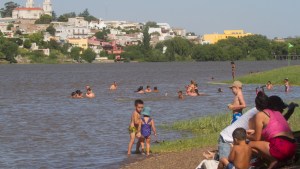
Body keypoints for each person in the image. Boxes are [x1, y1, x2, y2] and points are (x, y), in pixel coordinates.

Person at [247, 95, 297, 169]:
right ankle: (273, 160)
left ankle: (273, 160)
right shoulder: (278, 113)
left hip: (280, 147)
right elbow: (273, 132)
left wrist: (246, 135)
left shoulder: (260, 115)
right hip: (292, 148)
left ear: (257, 107)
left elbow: (256, 138)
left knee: (249, 145)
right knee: (261, 144)